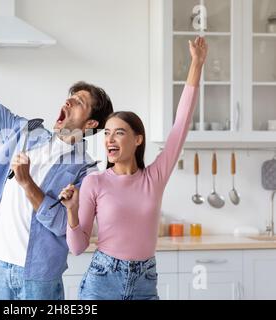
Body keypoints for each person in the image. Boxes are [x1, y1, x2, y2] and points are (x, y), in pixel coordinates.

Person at [0, 3, 114, 300]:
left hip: (38, 276)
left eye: (78, 102)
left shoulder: (86, 171)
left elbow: (63, 227)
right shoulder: (24, 132)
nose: (68, 103)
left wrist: (26, 182)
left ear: (91, 123)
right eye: (69, 98)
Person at [59, 37, 208, 300]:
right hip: (102, 281)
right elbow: (77, 247)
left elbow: (181, 124)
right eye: (106, 133)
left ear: (137, 139)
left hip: (145, 283)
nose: (110, 140)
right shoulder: (95, 182)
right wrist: (71, 211)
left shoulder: (155, 177)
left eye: (119, 133)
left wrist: (196, 64)